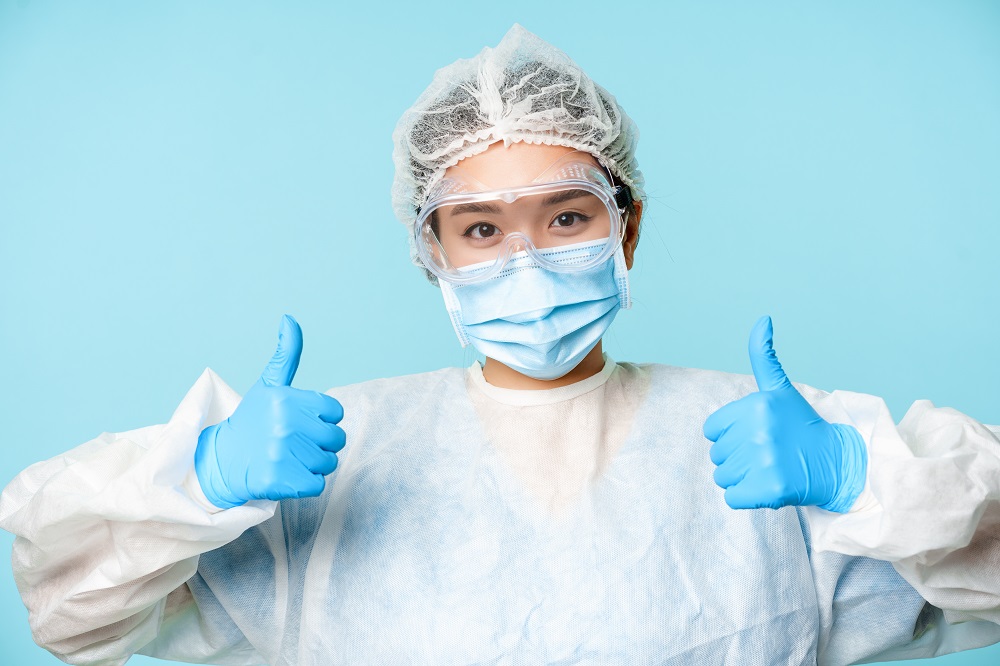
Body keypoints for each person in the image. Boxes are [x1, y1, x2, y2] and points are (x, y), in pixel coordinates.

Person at [2, 23, 1000, 666]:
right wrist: (201, 479)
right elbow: (72, 608)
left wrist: (865, 476)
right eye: (480, 229)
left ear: (627, 226)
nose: (525, 258)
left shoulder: (766, 447)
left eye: (566, 217)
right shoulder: (326, 461)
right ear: (428, 253)